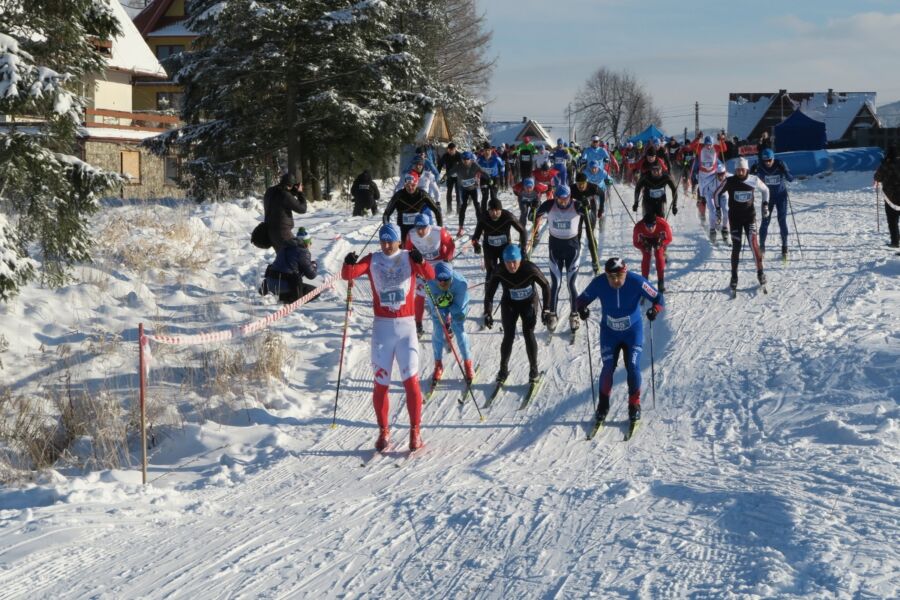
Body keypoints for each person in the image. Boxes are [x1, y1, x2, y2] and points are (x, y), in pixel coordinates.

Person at [341, 223, 436, 451]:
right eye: (382, 241)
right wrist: (348, 262)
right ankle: (383, 431)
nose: (385, 245)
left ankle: (415, 431)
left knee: (410, 381)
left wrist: (421, 260)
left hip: (406, 328)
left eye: (389, 241)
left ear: (398, 241)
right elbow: (348, 275)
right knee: (381, 384)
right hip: (382, 328)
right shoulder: (373, 259)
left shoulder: (408, 257)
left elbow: (430, 275)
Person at [575, 257, 664, 428]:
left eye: (619, 276)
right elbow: (580, 300)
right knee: (608, 367)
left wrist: (655, 310)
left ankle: (634, 404)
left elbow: (658, 298)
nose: (615, 281)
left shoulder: (636, 281)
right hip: (609, 333)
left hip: (633, 332)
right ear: (606, 275)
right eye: (611, 277)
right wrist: (582, 309)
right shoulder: (599, 283)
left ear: (625, 272)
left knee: (633, 366)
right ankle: (603, 405)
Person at [534, 184, 600, 332]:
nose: (563, 202)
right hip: (555, 248)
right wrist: (534, 208)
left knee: (571, 284)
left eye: (566, 199)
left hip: (572, 249)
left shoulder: (576, 205)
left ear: (570, 197)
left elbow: (590, 220)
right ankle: (552, 314)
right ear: (555, 197)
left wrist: (587, 209)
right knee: (555, 283)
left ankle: (574, 314)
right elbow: (534, 216)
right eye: (560, 199)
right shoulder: (550, 205)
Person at [484, 244, 551, 385]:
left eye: (514, 262)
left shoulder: (529, 268)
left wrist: (546, 309)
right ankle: (503, 370)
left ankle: (534, 370)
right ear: (503, 261)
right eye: (508, 262)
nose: (512, 266)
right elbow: (489, 293)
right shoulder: (499, 270)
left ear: (520, 260)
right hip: (509, 303)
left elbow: (545, 286)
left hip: (529, 303)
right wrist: (487, 312)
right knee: (508, 335)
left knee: (528, 333)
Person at [714, 157, 770, 292]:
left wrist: (765, 205)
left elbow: (766, 190)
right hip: (735, 219)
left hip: (750, 217)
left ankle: (760, 273)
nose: (740, 172)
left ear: (747, 170)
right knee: (736, 247)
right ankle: (734, 277)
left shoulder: (754, 179)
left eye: (742, 170)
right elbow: (716, 194)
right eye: (738, 169)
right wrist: (718, 210)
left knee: (754, 244)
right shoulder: (730, 181)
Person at [404, 213, 456, 338]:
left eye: (423, 227)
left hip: (439, 263)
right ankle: (418, 325)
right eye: (418, 228)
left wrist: (447, 259)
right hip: (423, 264)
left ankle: (447, 322)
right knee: (420, 294)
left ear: (429, 226)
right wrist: (414, 268)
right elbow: (407, 251)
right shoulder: (411, 234)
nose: (420, 231)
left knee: (442, 292)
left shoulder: (439, 232)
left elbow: (450, 245)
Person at [426, 262, 475, 385]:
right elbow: (433, 307)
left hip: (457, 307)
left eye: (446, 279)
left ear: (451, 276)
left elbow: (458, 307)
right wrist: (442, 312)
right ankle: (438, 364)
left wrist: (449, 317)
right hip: (440, 308)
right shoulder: (430, 283)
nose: (442, 283)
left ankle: (468, 363)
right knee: (437, 332)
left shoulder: (461, 284)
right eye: (440, 279)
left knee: (459, 331)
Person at [472, 198, 527, 283]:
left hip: (505, 248)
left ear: (501, 210)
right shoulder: (484, 218)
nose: (494, 213)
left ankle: (508, 291)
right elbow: (476, 236)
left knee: (507, 271)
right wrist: (476, 245)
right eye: (491, 210)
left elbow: (522, 231)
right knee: (490, 272)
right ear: (488, 210)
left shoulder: (508, 216)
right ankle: (488, 293)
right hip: (489, 248)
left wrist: (523, 247)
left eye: (497, 210)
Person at [751, 148, 794, 257]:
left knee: (782, 220)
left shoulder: (780, 164)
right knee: (765, 223)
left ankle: (784, 247)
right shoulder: (760, 166)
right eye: (765, 161)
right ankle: (762, 247)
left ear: (773, 158)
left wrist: (785, 171)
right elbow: (749, 181)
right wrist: (752, 172)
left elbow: (790, 179)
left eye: (770, 160)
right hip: (767, 198)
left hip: (781, 197)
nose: (768, 163)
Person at [261, 227, 319, 303]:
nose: (310, 244)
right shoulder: (303, 252)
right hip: (286, 285)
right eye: (309, 242)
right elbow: (311, 275)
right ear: (306, 243)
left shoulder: (285, 247)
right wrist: (314, 266)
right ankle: (290, 301)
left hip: (270, 283)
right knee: (316, 292)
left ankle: (282, 298)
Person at [382, 173, 443, 243]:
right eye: (408, 185)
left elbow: (437, 211)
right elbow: (386, 214)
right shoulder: (398, 195)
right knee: (405, 250)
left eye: (413, 185)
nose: (410, 188)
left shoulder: (422, 194)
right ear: (405, 185)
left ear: (417, 184)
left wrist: (440, 229)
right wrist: (387, 228)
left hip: (419, 229)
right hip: (403, 229)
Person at [692, 135, 727, 242]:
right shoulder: (700, 147)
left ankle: (718, 216)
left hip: (713, 174)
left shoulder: (715, 148)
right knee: (702, 196)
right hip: (703, 175)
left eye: (710, 144)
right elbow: (692, 146)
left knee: (716, 193)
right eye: (707, 144)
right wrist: (697, 138)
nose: (708, 147)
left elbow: (724, 148)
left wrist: (721, 140)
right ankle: (702, 215)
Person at [264, 172, 308, 251]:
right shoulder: (285, 195)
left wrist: (293, 191)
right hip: (282, 232)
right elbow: (302, 209)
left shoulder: (269, 191)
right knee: (296, 253)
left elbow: (281, 196)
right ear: (290, 185)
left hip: (269, 231)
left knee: (282, 258)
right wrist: (300, 193)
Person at [632, 213, 673, 292]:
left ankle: (661, 282)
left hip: (658, 238)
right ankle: (644, 282)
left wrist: (661, 243)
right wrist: (643, 246)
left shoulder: (663, 225)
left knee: (659, 254)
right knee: (646, 256)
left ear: (656, 223)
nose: (650, 228)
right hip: (645, 240)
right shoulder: (638, 227)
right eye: (648, 226)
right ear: (644, 224)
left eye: (652, 225)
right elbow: (635, 243)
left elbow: (669, 239)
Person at [874, 145, 900, 248]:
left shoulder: (886, 164)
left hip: (891, 197)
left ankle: (895, 241)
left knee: (892, 219)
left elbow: (877, 177)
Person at [476, 143, 505, 213]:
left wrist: (502, 177)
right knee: (485, 196)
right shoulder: (479, 159)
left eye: (488, 150)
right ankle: (483, 214)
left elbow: (502, 166)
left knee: (493, 196)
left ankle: (494, 212)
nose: (487, 152)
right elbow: (474, 167)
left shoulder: (496, 158)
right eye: (485, 150)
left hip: (495, 178)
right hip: (484, 179)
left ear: (491, 150)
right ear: (483, 151)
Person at [437, 142, 462, 215]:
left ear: (455, 149)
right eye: (450, 150)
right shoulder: (445, 156)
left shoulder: (459, 155)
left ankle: (458, 209)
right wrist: (437, 173)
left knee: (458, 193)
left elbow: (463, 166)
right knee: (449, 192)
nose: (451, 151)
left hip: (458, 176)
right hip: (449, 176)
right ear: (448, 150)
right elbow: (440, 165)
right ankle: (449, 209)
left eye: (453, 150)